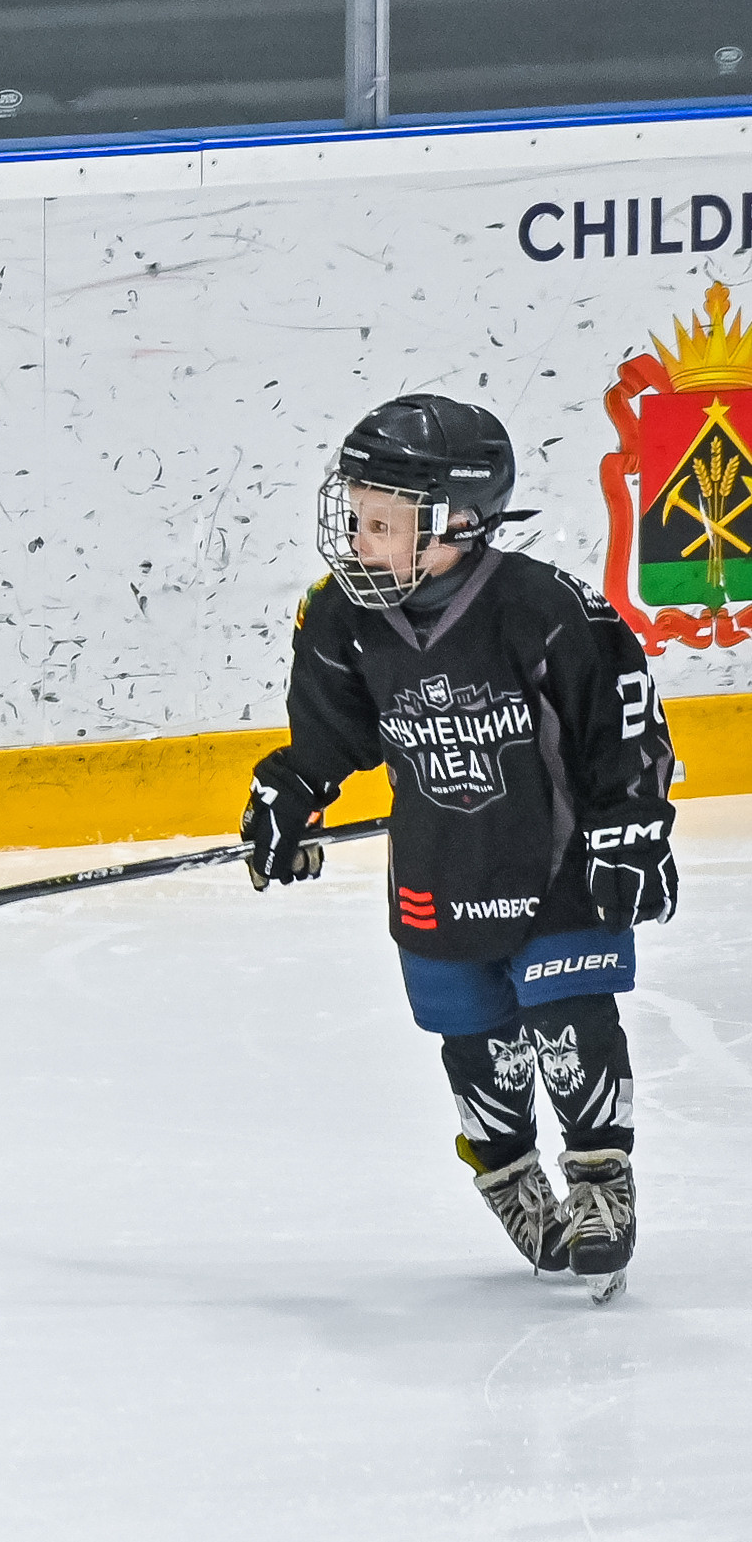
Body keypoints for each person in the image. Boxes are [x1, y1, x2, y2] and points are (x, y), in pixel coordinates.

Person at [242, 394, 677, 1301]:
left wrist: (631, 828)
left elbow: (625, 728)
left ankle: (599, 1180)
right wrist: (291, 792)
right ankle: (511, 1176)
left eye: (381, 522)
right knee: (474, 1043)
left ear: (456, 523)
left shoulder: (543, 607)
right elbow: (333, 738)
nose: (357, 539)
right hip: (440, 865)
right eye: (354, 515)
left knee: (569, 1020)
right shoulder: (340, 616)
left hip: (556, 863)